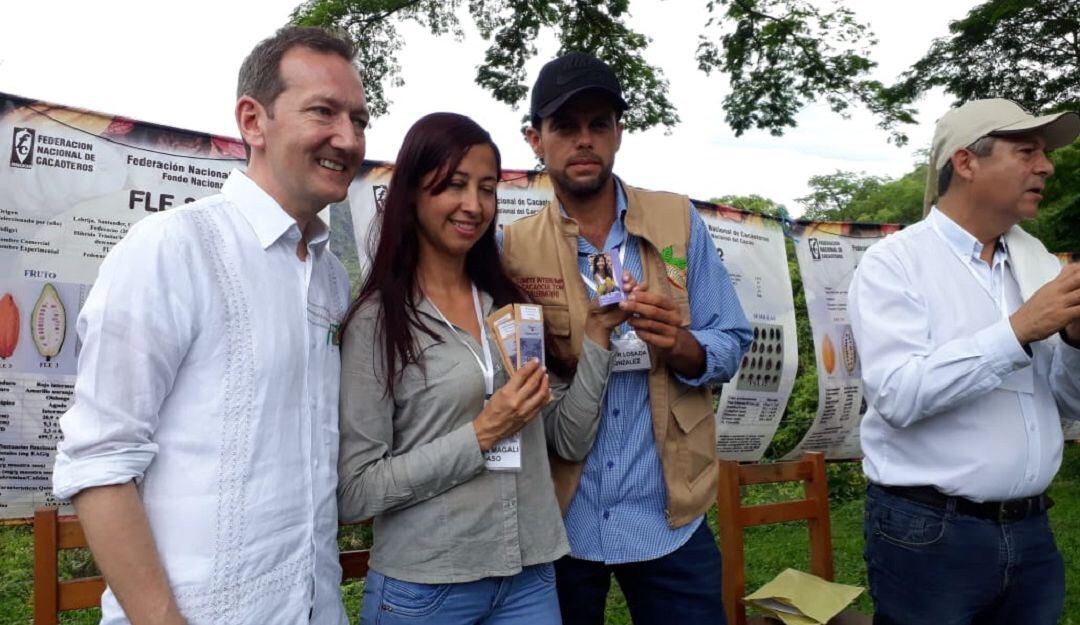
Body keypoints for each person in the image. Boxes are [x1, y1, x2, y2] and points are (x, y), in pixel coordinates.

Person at [51, 26, 367, 625]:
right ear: (253, 120)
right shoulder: (171, 249)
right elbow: (99, 462)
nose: (347, 139)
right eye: (323, 111)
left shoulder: (330, 278)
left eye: (359, 119)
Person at [337, 112, 627, 625]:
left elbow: (568, 440)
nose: (474, 205)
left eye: (487, 188)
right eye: (453, 185)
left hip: (530, 577)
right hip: (426, 587)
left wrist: (599, 337)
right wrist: (483, 433)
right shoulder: (379, 321)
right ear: (412, 193)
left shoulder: (509, 309)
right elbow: (356, 491)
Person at [499, 52, 753, 625]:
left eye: (599, 124)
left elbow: (733, 339)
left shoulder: (677, 222)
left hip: (669, 515)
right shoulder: (512, 249)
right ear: (535, 139)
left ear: (619, 133)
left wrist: (682, 345)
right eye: (565, 126)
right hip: (562, 517)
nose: (583, 140)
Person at [849, 98, 1080, 625]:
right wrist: (1019, 330)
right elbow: (898, 397)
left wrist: (1073, 341)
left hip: (1032, 531)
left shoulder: (1036, 260)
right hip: (930, 534)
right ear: (966, 162)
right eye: (1027, 151)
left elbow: (1070, 402)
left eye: (1044, 154)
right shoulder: (896, 262)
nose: (1045, 166)